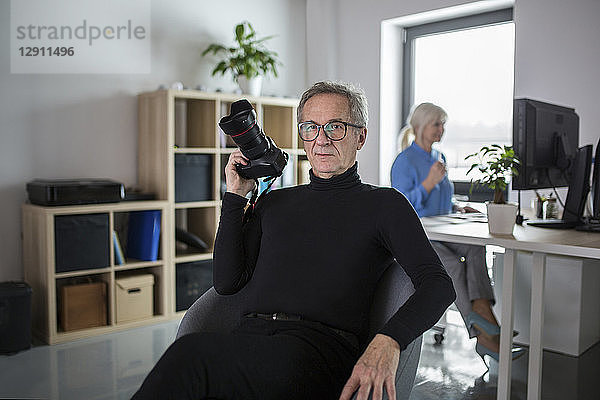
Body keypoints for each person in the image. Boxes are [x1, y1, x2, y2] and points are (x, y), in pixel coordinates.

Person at [132, 82, 455, 400]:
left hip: (318, 353)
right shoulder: (274, 203)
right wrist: (234, 197)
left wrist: (389, 340)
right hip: (251, 341)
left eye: (336, 127)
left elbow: (438, 285)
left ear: (361, 136)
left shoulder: (385, 205)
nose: (321, 139)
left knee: (191, 356)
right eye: (310, 127)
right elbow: (227, 283)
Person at [390, 102, 524, 364]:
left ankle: (483, 317)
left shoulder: (440, 157)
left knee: (475, 248)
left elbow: (440, 200)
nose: (441, 130)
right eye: (436, 124)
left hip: (445, 231)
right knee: (452, 264)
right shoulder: (404, 161)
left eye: (443, 125)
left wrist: (457, 206)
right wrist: (428, 183)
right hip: (420, 235)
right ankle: (485, 333)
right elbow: (402, 206)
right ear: (419, 127)